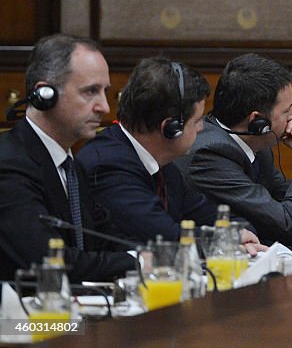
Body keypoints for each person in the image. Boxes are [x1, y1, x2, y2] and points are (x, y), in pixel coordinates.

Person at [77, 57, 264, 255]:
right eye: (197, 120)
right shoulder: (109, 166)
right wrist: (230, 239)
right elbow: (163, 238)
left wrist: (240, 234)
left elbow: (217, 216)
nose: (202, 128)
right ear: (170, 128)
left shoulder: (163, 165)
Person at [0, 34, 136, 282]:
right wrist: (136, 261)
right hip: (22, 319)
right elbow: (49, 261)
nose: (104, 107)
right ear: (44, 95)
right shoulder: (9, 164)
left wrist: (158, 256)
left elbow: (106, 236)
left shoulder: (68, 164)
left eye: (104, 92)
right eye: (90, 92)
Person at [180, 53, 292, 247]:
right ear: (258, 121)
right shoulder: (210, 155)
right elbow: (289, 225)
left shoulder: (257, 145)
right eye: (287, 110)